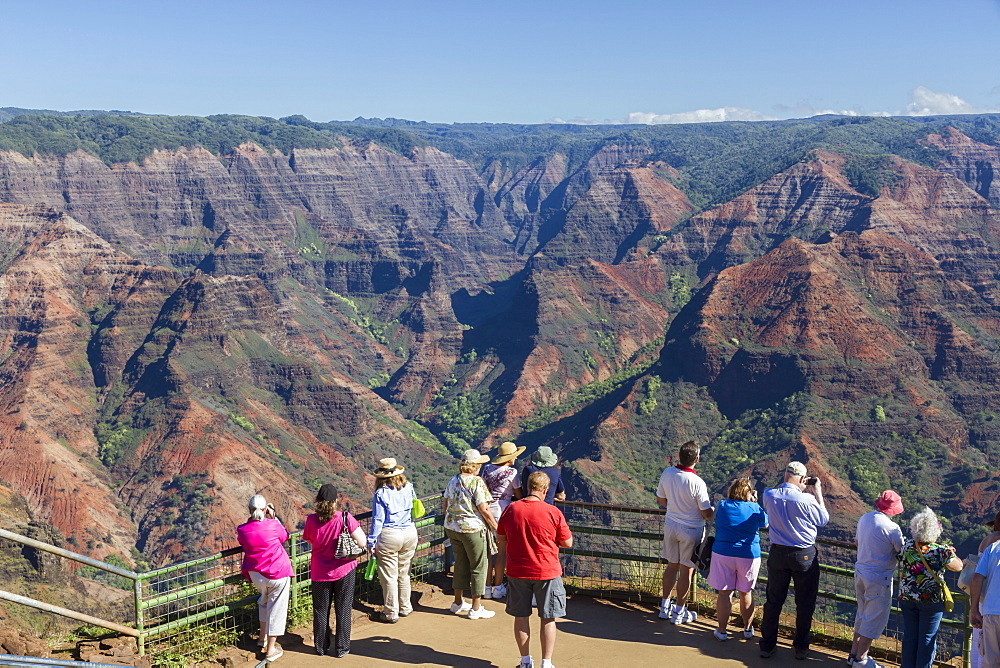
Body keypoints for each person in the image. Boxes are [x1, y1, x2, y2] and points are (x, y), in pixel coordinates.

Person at [498, 470, 573, 668]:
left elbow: (501, 537)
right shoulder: (553, 512)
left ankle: (525, 661)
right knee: (548, 617)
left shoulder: (512, 509)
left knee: (521, 617)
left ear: (528, 487)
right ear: (546, 490)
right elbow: (567, 542)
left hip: (517, 570)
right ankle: (546, 663)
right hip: (547, 571)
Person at [759, 461, 829, 660]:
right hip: (803, 555)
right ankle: (800, 647)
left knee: (773, 601)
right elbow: (823, 519)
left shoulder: (769, 495)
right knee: (805, 603)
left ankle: (767, 645)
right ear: (802, 479)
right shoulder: (806, 499)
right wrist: (817, 491)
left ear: (784, 474)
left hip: (778, 553)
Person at [303, 484, 367, 657]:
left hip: (319, 571)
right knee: (343, 608)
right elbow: (362, 543)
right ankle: (342, 648)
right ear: (336, 501)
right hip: (344, 570)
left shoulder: (311, 520)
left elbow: (310, 540)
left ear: (318, 501)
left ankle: (321, 647)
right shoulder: (345, 518)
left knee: (320, 610)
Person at [656, 440, 713, 626]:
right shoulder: (698, 482)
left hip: (671, 524)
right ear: (697, 459)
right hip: (691, 529)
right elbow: (706, 513)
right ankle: (679, 612)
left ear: (679, 456)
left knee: (671, 566)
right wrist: (715, 511)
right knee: (686, 571)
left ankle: (664, 607)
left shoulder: (668, 473)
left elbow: (661, 499)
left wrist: (675, 508)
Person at [898, 506, 962, 668]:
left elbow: (899, 556)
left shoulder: (907, 546)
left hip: (907, 597)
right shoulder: (940, 551)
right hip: (930, 600)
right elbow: (958, 567)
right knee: (927, 638)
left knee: (910, 635)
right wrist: (950, 553)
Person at [707, 477, 768, 641]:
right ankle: (748, 629)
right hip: (748, 555)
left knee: (724, 593)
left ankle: (721, 630)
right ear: (749, 493)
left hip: (723, 553)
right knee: (746, 592)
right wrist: (755, 501)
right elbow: (765, 524)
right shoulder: (755, 508)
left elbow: (712, 517)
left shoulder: (722, 505)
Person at [849, 490, 905, 668]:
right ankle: (861, 659)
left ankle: (853, 654)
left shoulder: (864, 518)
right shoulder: (892, 528)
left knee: (862, 614)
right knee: (873, 618)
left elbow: (857, 542)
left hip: (861, 572)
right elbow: (902, 552)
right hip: (879, 577)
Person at [442, 449, 499, 619]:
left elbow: (445, 505)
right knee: (479, 566)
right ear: (475, 465)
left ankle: (457, 602)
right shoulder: (476, 482)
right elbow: (484, 508)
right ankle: (475, 608)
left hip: (452, 527)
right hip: (472, 530)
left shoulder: (453, 480)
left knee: (460, 563)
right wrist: (496, 527)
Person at [236, 494, 293, 663]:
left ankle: (262, 638)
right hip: (278, 573)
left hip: (256, 575)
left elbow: (244, 539)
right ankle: (271, 650)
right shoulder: (273, 525)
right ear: (265, 509)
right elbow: (285, 537)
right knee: (277, 608)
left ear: (249, 510)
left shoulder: (242, 529)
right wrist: (273, 516)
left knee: (264, 601)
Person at [366, 457, 418, 623]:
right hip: (409, 532)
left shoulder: (381, 493)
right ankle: (405, 607)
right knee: (404, 572)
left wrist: (371, 542)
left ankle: (391, 613)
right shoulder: (409, 487)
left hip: (390, 534)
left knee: (389, 576)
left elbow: (378, 520)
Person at [481, 441, 525, 599]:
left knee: (487, 552)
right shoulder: (512, 473)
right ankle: (498, 587)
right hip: (502, 512)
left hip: (486, 511)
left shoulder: (486, 469)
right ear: (509, 458)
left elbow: (483, 489)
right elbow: (519, 496)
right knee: (501, 552)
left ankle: (486, 588)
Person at [971, 514, 1000, 668]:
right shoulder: (995, 542)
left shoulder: (989, 542)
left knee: (980, 644)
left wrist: (973, 608)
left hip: (985, 600)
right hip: (989, 594)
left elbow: (977, 576)